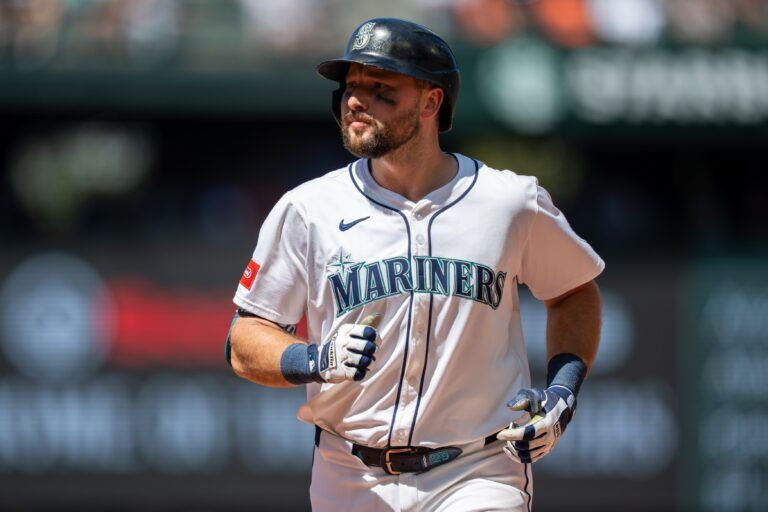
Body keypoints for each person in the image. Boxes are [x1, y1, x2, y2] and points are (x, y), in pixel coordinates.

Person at [227, 17, 603, 512]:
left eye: (381, 89)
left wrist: (562, 392)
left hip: (477, 469)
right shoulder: (309, 208)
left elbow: (573, 291)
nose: (356, 101)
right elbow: (245, 339)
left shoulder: (509, 202)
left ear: (431, 102)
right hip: (350, 474)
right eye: (351, 87)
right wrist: (315, 359)